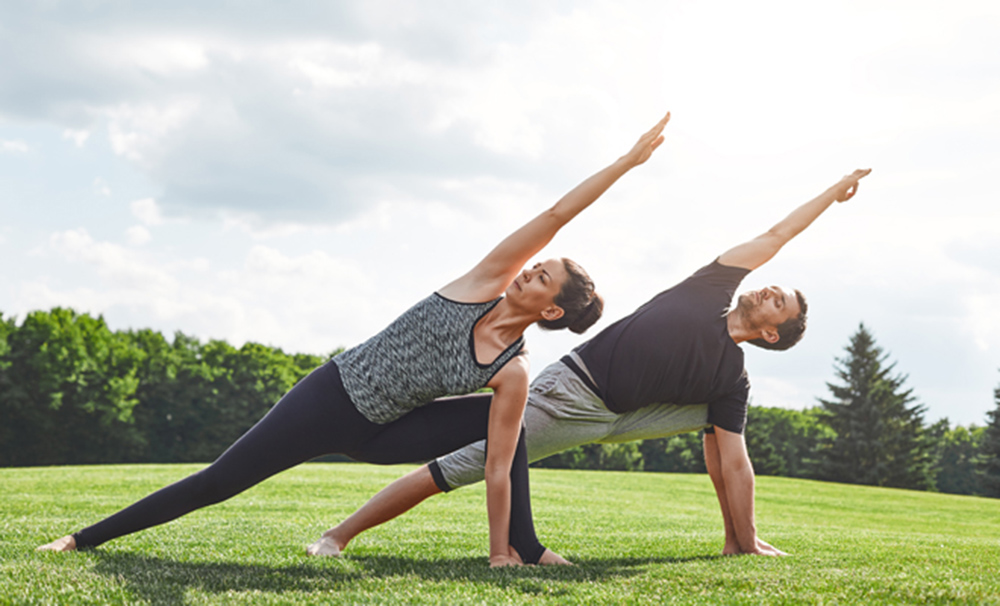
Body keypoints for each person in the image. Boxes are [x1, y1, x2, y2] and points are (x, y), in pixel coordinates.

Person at [35, 112, 672, 567]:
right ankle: (82, 540)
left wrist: (496, 552)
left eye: (544, 277)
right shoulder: (483, 280)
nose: (532, 268)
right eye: (538, 263)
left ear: (553, 312)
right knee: (219, 481)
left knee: (512, 433)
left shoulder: (513, 370)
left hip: (383, 432)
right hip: (332, 397)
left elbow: (499, 465)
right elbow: (558, 213)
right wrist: (624, 162)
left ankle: (521, 549)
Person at [308, 167, 873, 561]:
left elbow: (734, 462)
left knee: (723, 427)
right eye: (773, 287)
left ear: (772, 332)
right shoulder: (710, 288)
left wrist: (746, 534)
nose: (768, 289)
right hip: (572, 396)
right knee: (461, 466)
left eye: (778, 301)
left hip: (631, 416)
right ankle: (339, 534)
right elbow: (776, 235)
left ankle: (738, 540)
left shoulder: (732, 378)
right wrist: (830, 193)